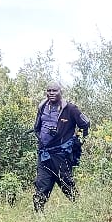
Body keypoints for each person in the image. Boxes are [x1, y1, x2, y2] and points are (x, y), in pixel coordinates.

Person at [33, 84, 90, 212]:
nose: (51, 93)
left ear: (60, 92)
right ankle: (38, 217)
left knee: (67, 185)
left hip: (61, 155)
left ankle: (81, 212)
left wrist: (76, 142)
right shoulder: (42, 106)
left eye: (54, 90)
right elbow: (37, 128)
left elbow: (85, 124)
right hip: (44, 155)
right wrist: (41, 140)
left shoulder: (70, 108)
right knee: (41, 186)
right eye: (49, 90)